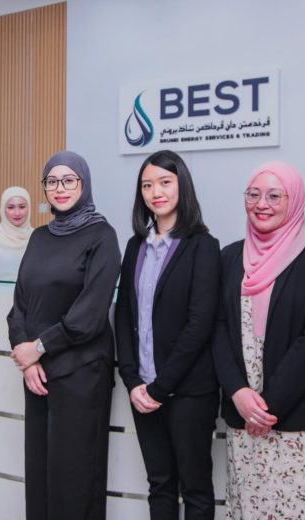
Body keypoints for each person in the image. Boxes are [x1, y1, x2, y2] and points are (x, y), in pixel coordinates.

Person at [212, 160, 305, 519]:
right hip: (244, 413)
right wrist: (238, 393)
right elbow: (219, 329)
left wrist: (267, 405)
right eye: (254, 194)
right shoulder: (229, 256)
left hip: (299, 415)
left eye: (275, 195)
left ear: (295, 200)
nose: (262, 204)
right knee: (251, 507)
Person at [8, 151, 121, 520]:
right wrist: (25, 358)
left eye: (69, 180)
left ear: (83, 184)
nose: (60, 188)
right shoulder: (40, 236)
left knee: (74, 475)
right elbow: (19, 305)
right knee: (39, 470)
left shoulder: (102, 235)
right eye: (52, 181)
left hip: (81, 372)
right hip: (37, 375)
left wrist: (38, 348)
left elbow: (89, 315)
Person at [115, 150, 220, 519]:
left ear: (181, 186)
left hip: (189, 391)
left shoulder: (203, 246)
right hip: (142, 389)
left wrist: (160, 387)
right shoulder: (135, 246)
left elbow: (200, 323)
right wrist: (132, 381)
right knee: (159, 484)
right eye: (147, 184)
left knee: (195, 487)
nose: (155, 191)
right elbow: (124, 313)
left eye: (164, 182)